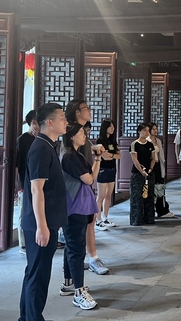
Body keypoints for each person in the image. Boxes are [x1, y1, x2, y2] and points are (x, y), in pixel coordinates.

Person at [19, 103, 68, 321]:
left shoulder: (48, 145)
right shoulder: (40, 148)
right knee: (38, 276)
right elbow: (36, 190)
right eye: (62, 118)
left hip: (47, 221)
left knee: (35, 272)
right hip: (40, 223)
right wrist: (42, 226)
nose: (66, 122)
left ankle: (26, 317)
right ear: (49, 122)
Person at [65, 99, 109, 275]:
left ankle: (84, 260)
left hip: (85, 185)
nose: (89, 111)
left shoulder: (82, 133)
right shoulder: (71, 134)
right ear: (77, 112)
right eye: (86, 108)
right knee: (82, 226)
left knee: (89, 222)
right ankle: (90, 259)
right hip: (75, 189)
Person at [59, 123, 101, 310]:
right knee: (76, 250)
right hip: (74, 207)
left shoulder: (77, 155)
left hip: (81, 206)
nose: (84, 136)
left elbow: (92, 176)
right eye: (81, 133)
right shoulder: (69, 157)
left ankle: (69, 283)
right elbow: (89, 179)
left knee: (72, 246)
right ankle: (78, 292)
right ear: (71, 137)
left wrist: (98, 158)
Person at [15, 110, 39, 255]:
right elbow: (17, 164)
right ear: (33, 122)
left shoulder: (41, 139)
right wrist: (17, 185)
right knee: (24, 212)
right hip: (25, 182)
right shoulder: (23, 140)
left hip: (38, 182)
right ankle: (23, 243)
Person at [95, 119, 121, 229]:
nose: (112, 128)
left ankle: (105, 217)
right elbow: (104, 157)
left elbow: (119, 156)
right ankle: (98, 220)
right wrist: (112, 155)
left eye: (113, 126)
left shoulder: (113, 141)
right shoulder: (100, 141)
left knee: (108, 195)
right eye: (110, 126)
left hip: (112, 169)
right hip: (103, 169)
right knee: (101, 195)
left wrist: (111, 155)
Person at [129, 123, 156, 226]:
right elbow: (135, 160)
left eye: (148, 130)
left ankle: (149, 218)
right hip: (137, 173)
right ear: (139, 131)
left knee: (149, 195)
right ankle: (136, 219)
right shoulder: (134, 144)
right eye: (144, 130)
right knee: (137, 197)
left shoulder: (150, 144)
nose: (146, 132)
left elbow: (153, 158)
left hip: (149, 173)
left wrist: (150, 169)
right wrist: (141, 171)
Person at [149, 122, 174, 218]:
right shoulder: (146, 140)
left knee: (160, 188)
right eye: (153, 129)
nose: (155, 131)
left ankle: (162, 210)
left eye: (156, 129)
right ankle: (151, 210)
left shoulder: (158, 140)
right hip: (150, 166)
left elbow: (161, 156)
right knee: (151, 189)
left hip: (159, 165)